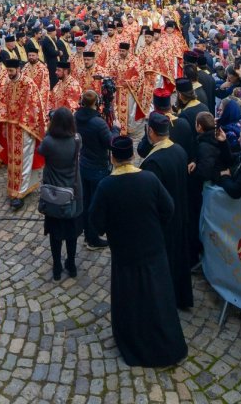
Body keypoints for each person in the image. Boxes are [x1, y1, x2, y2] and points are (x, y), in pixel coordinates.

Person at [87, 136, 187, 368]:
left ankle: (134, 341)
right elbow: (168, 208)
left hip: (125, 251)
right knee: (158, 295)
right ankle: (166, 343)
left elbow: (96, 224)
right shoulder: (149, 179)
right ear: (132, 155)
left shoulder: (106, 186)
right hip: (153, 246)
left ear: (113, 157)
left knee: (130, 298)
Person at [140, 111, 194, 310]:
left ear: (151, 132)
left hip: (164, 220)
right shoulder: (179, 150)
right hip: (180, 212)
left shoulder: (153, 162)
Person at [37, 107, 83, 280]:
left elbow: (40, 151)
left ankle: (57, 267)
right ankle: (71, 265)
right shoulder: (77, 140)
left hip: (53, 192)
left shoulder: (48, 142)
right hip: (72, 190)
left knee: (55, 234)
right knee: (72, 234)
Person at [0, 58, 48, 209]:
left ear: (18, 69)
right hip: (11, 127)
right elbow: (2, 101)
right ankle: (18, 186)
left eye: (11, 71)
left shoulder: (28, 83)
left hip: (25, 127)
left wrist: (21, 120)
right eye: (7, 71)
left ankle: (20, 192)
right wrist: (4, 118)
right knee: (13, 159)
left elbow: (33, 105)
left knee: (23, 158)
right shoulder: (7, 82)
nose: (9, 74)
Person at [75, 90, 113, 248]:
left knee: (86, 200)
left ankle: (88, 233)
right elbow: (110, 143)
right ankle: (93, 237)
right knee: (96, 203)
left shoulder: (76, 117)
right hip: (98, 166)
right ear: (96, 103)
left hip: (84, 163)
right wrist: (116, 130)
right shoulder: (98, 123)